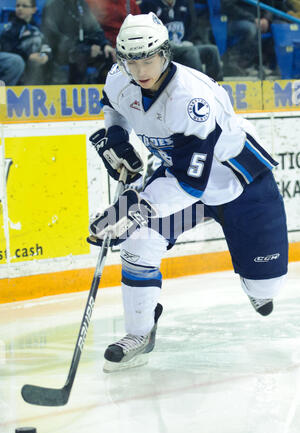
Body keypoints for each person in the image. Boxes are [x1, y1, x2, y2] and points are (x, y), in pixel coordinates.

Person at [88, 13, 288, 373]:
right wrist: (116, 139)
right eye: (131, 61)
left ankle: (256, 285)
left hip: (240, 185)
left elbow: (190, 184)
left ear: (165, 53)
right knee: (138, 244)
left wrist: (134, 206)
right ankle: (140, 332)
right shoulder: (120, 78)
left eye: (148, 59)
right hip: (185, 184)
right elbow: (112, 106)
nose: (140, 69)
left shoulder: (191, 99)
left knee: (265, 290)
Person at [140, 0, 223, 81]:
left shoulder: (184, 3)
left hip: (183, 46)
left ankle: (215, 86)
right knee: (191, 51)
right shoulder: (149, 4)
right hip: (163, 49)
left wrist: (189, 40)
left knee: (212, 50)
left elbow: (192, 26)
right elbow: (146, 33)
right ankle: (199, 86)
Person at [41, 0, 116, 84]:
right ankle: (76, 91)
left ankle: (105, 90)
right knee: (80, 55)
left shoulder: (80, 4)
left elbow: (94, 28)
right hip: (59, 51)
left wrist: (104, 44)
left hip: (80, 47)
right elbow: (53, 37)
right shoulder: (52, 5)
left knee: (110, 54)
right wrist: (86, 48)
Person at [0, 0, 52, 85]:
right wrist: (28, 56)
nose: (20, 8)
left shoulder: (39, 28)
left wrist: (45, 55)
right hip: (22, 62)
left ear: (34, 10)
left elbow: (47, 45)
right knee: (17, 62)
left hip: (35, 64)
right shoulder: (10, 28)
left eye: (24, 6)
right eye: (18, 6)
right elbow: (8, 48)